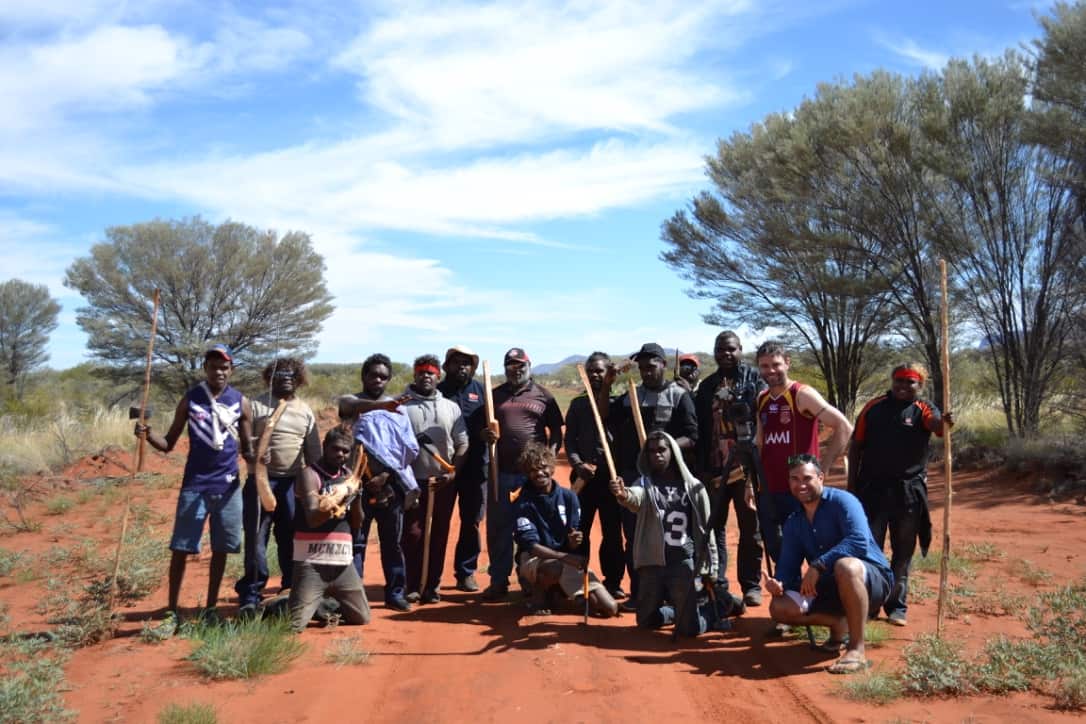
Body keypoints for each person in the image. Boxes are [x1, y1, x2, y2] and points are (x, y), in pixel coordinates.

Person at [135, 344, 254, 626]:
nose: (219, 372)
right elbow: (168, 444)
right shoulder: (191, 399)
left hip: (228, 487)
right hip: (195, 485)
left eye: (224, 367)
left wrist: (262, 454)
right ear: (206, 369)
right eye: (214, 366)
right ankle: (172, 610)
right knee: (182, 547)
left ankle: (211, 608)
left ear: (231, 370)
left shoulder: (241, 402)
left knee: (222, 547)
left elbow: (248, 449)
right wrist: (147, 435)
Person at [765, 455, 893, 674]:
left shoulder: (843, 501)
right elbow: (788, 566)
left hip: (870, 580)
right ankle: (838, 624)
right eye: (794, 479)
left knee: (846, 566)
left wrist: (818, 566)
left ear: (821, 478)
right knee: (780, 607)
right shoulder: (794, 521)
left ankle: (856, 649)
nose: (801, 484)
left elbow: (858, 541)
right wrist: (779, 583)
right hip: (830, 586)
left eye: (807, 478)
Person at [848, 363, 953, 627]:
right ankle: (870, 603)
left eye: (911, 383)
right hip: (872, 489)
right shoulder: (873, 407)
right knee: (870, 548)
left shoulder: (924, 409)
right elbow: (856, 446)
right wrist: (851, 489)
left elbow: (937, 428)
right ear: (892, 381)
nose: (904, 387)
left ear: (920, 385)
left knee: (903, 551)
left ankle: (896, 606)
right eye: (899, 381)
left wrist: (945, 423)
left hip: (908, 492)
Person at [603, 342, 698, 606]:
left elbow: (692, 436)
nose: (646, 372)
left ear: (663, 365)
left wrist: (665, 447)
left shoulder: (679, 395)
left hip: (669, 480)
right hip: (636, 477)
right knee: (636, 536)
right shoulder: (631, 396)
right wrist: (608, 383)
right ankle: (640, 593)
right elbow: (606, 419)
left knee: (670, 537)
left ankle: (672, 594)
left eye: (651, 366)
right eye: (642, 367)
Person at [609, 431, 721, 636]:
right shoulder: (644, 484)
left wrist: (710, 568)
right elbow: (635, 499)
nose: (657, 455)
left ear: (673, 451)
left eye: (662, 450)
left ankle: (716, 611)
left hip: (682, 562)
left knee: (689, 630)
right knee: (645, 623)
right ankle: (674, 612)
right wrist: (623, 494)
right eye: (651, 451)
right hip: (652, 563)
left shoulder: (694, 488)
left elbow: (706, 531)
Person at [235, 357, 321, 618]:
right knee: (256, 539)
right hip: (260, 481)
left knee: (290, 538)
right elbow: (244, 445)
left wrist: (317, 486)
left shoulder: (306, 412)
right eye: (280, 373)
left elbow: (314, 455)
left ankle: (289, 588)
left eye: (291, 374)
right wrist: (255, 454)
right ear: (269, 376)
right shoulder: (255, 405)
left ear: (299, 379)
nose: (285, 377)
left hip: (292, 484)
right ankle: (251, 594)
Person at [753, 340, 852, 565]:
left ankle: (824, 598)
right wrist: (753, 485)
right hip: (769, 490)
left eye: (776, 364)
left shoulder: (801, 394)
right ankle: (791, 597)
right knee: (780, 556)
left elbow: (844, 426)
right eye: (764, 366)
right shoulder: (762, 398)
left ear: (787, 363)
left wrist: (821, 470)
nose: (770, 371)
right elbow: (760, 444)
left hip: (799, 490)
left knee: (815, 555)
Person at [481, 347, 564, 601]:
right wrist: (486, 435)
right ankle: (498, 580)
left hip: (533, 477)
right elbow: (480, 431)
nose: (515, 369)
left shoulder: (544, 396)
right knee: (500, 529)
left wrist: (547, 462)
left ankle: (532, 581)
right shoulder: (494, 396)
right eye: (510, 365)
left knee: (534, 529)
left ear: (529, 366)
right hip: (502, 474)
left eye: (520, 365)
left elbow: (556, 434)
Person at [694, 331, 766, 607]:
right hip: (715, 467)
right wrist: (702, 467)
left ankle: (751, 585)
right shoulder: (708, 385)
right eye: (720, 349)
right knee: (716, 528)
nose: (725, 353)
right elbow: (701, 427)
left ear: (740, 350)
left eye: (730, 349)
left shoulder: (753, 379)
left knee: (751, 527)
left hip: (747, 466)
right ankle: (720, 583)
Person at [339, 353, 413, 611]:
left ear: (389, 379)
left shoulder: (399, 411)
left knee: (392, 542)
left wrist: (385, 476)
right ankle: (354, 596)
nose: (378, 380)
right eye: (373, 375)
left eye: (383, 376)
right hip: (357, 485)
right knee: (357, 542)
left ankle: (395, 593)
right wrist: (384, 406)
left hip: (390, 485)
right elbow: (349, 408)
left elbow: (407, 449)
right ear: (364, 376)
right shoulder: (352, 404)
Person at [513, 442, 618, 617]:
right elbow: (531, 546)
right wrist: (567, 556)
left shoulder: (569, 497)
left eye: (543, 467)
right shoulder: (523, 502)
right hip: (536, 559)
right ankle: (539, 593)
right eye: (533, 470)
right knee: (553, 567)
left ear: (552, 468)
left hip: (564, 559)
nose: (539, 473)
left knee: (609, 608)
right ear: (527, 473)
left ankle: (559, 591)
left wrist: (573, 542)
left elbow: (572, 541)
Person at [401, 354, 469, 603]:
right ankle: (412, 584)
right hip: (412, 482)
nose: (426, 376)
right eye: (421, 371)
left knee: (439, 534)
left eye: (431, 372)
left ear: (438, 376)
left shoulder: (451, 407)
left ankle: (432, 586)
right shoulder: (401, 406)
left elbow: (462, 442)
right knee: (413, 534)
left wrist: (452, 472)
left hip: (443, 482)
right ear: (414, 375)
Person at [288, 427, 371, 632]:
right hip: (312, 562)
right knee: (294, 626)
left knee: (362, 617)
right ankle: (282, 603)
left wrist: (356, 495)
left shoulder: (349, 476)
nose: (340, 454)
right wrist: (339, 498)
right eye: (335, 449)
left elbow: (357, 523)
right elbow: (313, 518)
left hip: (342, 563)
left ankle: (319, 603)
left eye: (346, 451)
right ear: (325, 447)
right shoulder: (310, 474)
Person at [564, 351, 626, 599]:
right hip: (584, 480)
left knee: (612, 533)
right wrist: (578, 464)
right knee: (580, 531)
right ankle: (580, 581)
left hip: (610, 479)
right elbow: (569, 440)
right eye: (591, 371)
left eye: (599, 370)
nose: (595, 375)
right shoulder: (579, 403)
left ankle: (613, 582)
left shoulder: (618, 402)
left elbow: (605, 416)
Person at [437, 345, 489, 593]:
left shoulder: (482, 391)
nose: (462, 367)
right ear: (446, 366)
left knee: (471, 522)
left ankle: (466, 573)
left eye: (467, 363)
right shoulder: (437, 392)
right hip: (443, 467)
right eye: (456, 362)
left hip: (476, 467)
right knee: (438, 522)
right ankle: (430, 576)